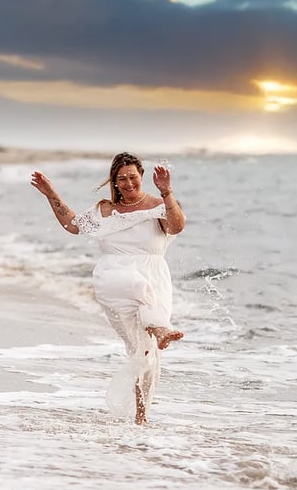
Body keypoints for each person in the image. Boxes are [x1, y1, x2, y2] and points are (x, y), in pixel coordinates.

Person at [30, 152, 186, 424]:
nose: (128, 183)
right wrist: (49, 193)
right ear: (113, 182)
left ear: (142, 177)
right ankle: (161, 328)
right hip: (113, 277)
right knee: (136, 286)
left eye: (133, 177)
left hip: (154, 276)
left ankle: (142, 415)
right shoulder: (104, 211)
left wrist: (166, 192)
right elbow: (72, 224)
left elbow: (177, 226)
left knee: (144, 350)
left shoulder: (159, 205)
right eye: (121, 179)